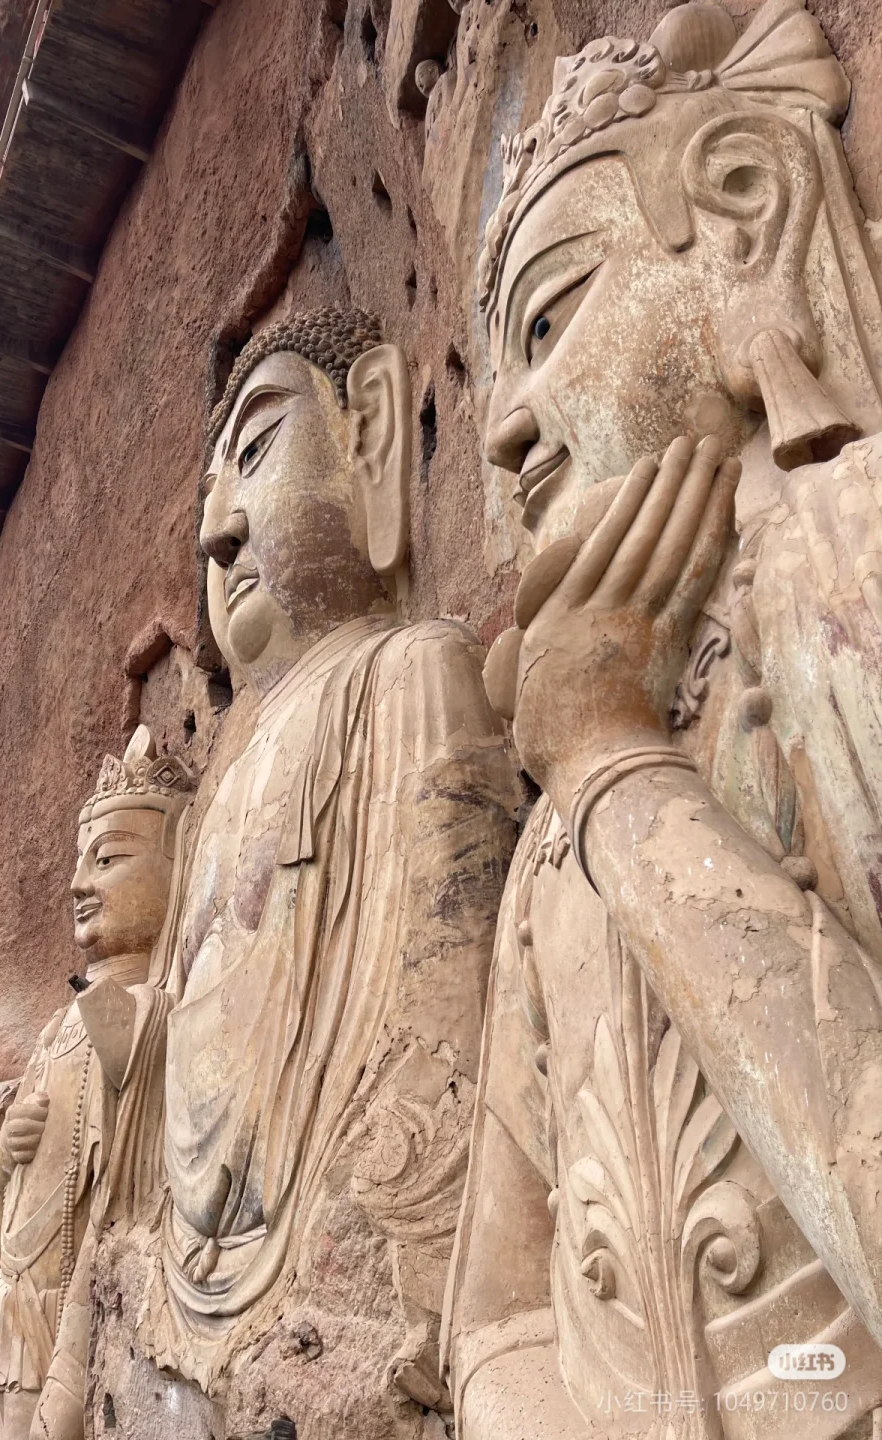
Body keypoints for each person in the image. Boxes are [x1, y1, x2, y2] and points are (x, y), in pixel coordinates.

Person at [447, 3, 882, 1435]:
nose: (506, 423)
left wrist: (615, 766)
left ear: (743, 214)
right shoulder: (543, 847)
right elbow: (496, 1311)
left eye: (553, 319)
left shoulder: (848, 565)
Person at [114, 309, 519, 1438]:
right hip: (192, 1269)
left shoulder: (410, 674)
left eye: (256, 455)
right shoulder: (213, 802)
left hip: (333, 1258)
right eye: (206, 502)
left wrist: (395, 1260)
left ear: (374, 438)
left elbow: (444, 1010)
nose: (219, 534)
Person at [0, 728, 194, 1440]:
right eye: (80, 861)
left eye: (108, 859)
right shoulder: (56, 1027)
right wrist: (4, 1156)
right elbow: (8, 1175)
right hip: (13, 1292)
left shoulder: (156, 1008)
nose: (79, 884)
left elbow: (140, 1092)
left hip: (66, 1302)